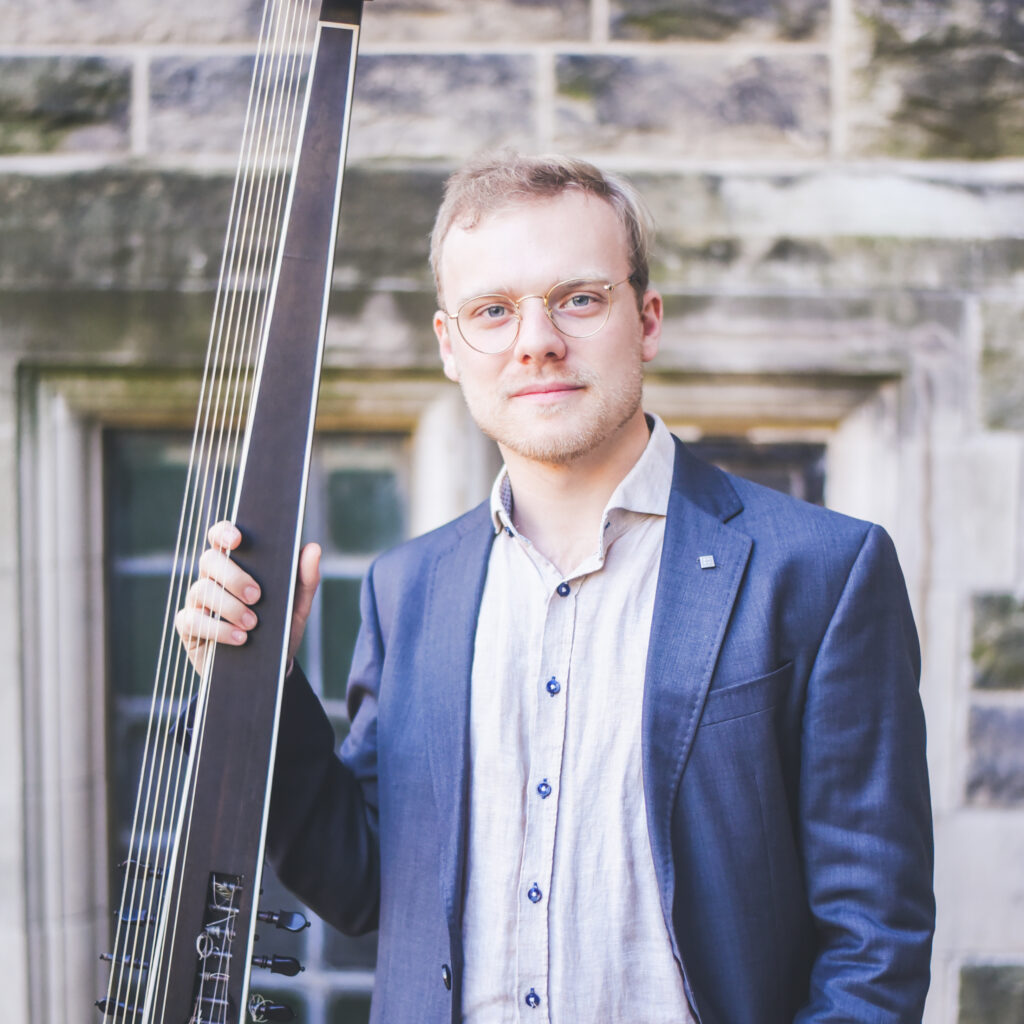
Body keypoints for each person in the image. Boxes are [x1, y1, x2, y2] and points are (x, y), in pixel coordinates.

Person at [176, 152, 935, 1023]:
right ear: (450, 347)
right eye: (493, 311)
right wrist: (258, 689)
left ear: (646, 319)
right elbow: (369, 889)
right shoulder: (408, 587)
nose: (535, 340)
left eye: (578, 298)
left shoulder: (824, 572)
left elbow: (872, 943)